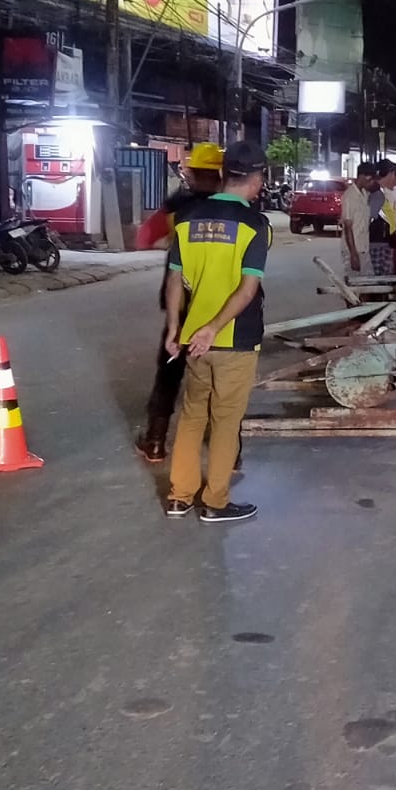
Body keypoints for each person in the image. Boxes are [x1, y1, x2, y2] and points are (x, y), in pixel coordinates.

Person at [162, 139, 271, 523]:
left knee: (192, 416)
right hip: (234, 339)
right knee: (225, 421)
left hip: (194, 341)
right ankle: (216, 502)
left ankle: (179, 497)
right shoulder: (255, 225)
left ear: (224, 174)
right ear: (256, 178)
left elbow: (174, 278)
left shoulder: (186, 218)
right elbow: (247, 289)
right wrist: (214, 328)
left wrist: (175, 327)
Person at [135, 142, 223, 462]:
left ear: (191, 172)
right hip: (221, 308)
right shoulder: (235, 209)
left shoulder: (177, 207)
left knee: (170, 373)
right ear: (222, 175)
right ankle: (230, 452)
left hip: (182, 303)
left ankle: (156, 441)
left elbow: (144, 237)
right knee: (223, 379)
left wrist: (174, 240)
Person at [369, 159, 396, 276]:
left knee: (389, 275)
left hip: (388, 241)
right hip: (378, 242)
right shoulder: (376, 193)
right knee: (380, 278)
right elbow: (369, 219)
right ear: (391, 174)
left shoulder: (387, 192)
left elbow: (393, 218)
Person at [339, 160, 378, 276]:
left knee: (368, 282)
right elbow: (347, 227)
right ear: (362, 177)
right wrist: (353, 254)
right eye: (370, 179)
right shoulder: (349, 196)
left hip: (364, 248)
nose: (372, 183)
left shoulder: (365, 194)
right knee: (355, 283)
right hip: (353, 250)